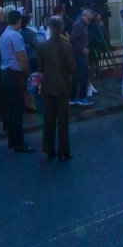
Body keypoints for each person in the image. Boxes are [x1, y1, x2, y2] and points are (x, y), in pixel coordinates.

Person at [38, 16, 76, 161]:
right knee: (63, 120)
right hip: (62, 86)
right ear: (61, 28)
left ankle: (49, 149)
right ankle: (63, 150)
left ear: (49, 28)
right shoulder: (67, 46)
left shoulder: (42, 46)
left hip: (48, 86)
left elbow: (40, 67)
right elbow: (72, 68)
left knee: (48, 119)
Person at [0, 10, 34, 153]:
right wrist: (28, 73)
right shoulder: (15, 36)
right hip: (15, 74)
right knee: (18, 109)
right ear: (18, 21)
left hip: (6, 72)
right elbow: (22, 58)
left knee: (11, 108)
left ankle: (12, 139)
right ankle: (19, 142)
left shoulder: (4, 35)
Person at [70, 9, 93, 107]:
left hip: (80, 54)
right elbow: (73, 39)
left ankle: (75, 96)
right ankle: (81, 96)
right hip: (78, 54)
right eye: (89, 19)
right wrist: (82, 48)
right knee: (83, 74)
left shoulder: (81, 24)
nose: (90, 21)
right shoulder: (79, 25)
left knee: (78, 75)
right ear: (84, 16)